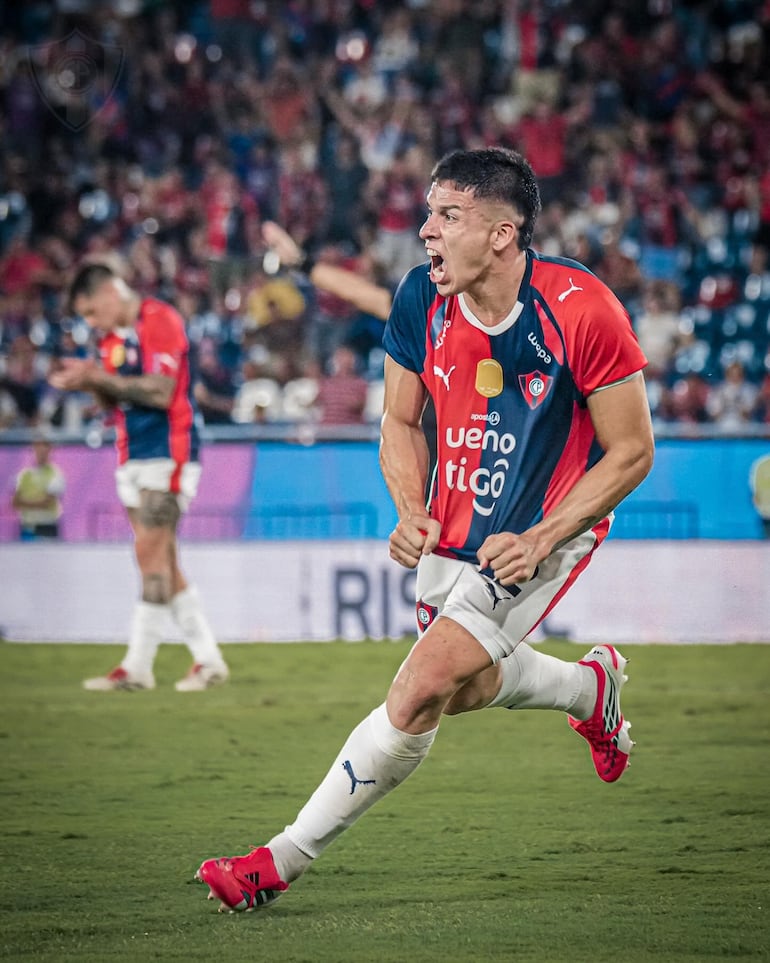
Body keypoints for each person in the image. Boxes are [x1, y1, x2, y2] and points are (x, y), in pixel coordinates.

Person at [195, 150, 653, 912]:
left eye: (448, 215)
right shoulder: (420, 298)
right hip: (455, 520)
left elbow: (632, 449)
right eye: (429, 213)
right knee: (465, 686)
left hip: (542, 526)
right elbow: (399, 422)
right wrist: (410, 507)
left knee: (415, 694)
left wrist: (542, 538)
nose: (426, 230)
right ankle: (588, 687)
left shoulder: (582, 308)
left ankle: (273, 863)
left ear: (502, 234)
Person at [48, 262, 229, 692]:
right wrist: (87, 383)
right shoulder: (110, 340)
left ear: (111, 293)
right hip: (131, 454)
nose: (92, 323)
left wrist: (98, 377)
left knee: (149, 556)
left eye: (92, 312)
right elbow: (114, 400)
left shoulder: (159, 319)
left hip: (169, 452)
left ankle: (137, 667)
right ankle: (208, 661)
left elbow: (162, 391)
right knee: (162, 560)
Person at [12, 432, 66, 539]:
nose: (41, 451)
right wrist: (37, 501)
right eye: (37, 447)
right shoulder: (24, 474)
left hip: (47, 527)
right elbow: (15, 502)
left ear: (50, 450)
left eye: (44, 447)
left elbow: (47, 503)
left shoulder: (56, 474)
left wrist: (25, 502)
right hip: (27, 527)